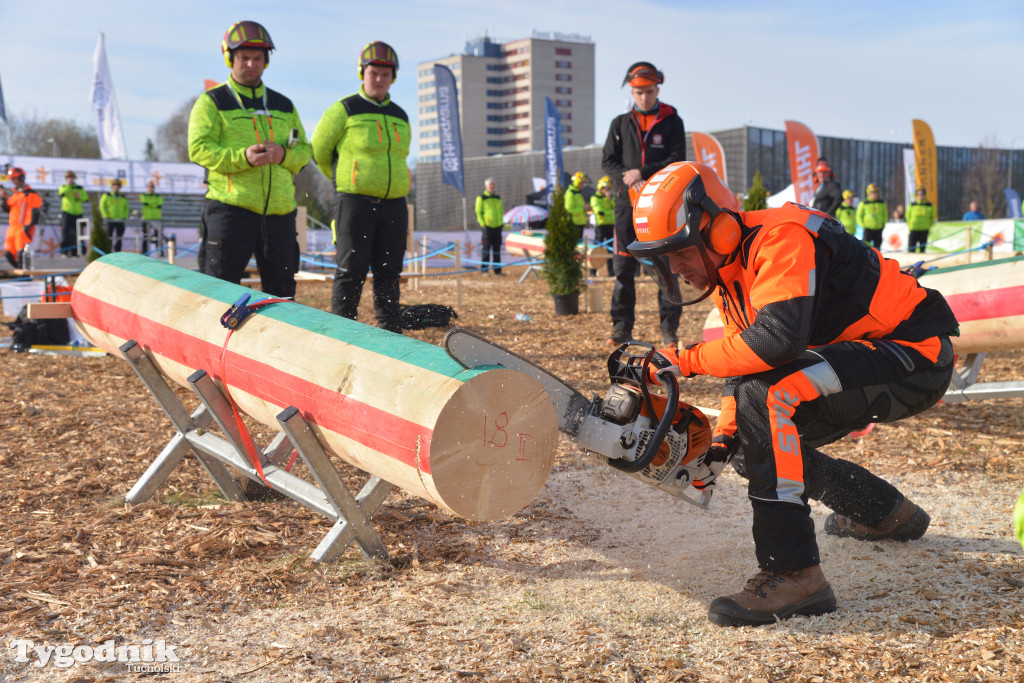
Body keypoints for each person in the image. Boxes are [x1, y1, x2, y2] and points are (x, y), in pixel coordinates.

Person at [629, 162, 957, 627]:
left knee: (769, 395)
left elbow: (776, 343)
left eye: (679, 252)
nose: (675, 269)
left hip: (913, 356)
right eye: (662, 259)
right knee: (751, 437)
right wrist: (724, 438)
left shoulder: (781, 236)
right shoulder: (729, 272)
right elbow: (743, 365)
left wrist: (681, 361)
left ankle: (794, 572)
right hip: (872, 357)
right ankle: (885, 512)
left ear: (719, 229)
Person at [188, 20, 312, 298]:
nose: (251, 64)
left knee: (282, 298)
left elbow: (305, 151)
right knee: (219, 295)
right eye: (244, 58)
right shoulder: (211, 102)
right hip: (231, 211)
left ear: (266, 61)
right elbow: (198, 149)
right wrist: (241, 157)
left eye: (258, 58)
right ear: (229, 58)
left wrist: (283, 155)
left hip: (279, 214)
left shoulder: (284, 105)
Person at [312, 41, 410, 332]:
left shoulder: (401, 115)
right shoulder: (344, 109)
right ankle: (344, 335)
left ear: (393, 77)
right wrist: (346, 179)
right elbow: (319, 150)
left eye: (385, 74)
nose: (379, 79)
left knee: (389, 273)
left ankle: (391, 334)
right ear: (362, 73)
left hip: (394, 204)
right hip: (354, 203)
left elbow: (400, 157)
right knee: (350, 272)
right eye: (373, 73)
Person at [602, 61, 685, 347]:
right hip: (627, 207)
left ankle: (669, 331)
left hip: (661, 208)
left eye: (648, 91)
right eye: (638, 92)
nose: (643, 97)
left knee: (667, 271)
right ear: (632, 92)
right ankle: (621, 330)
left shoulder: (672, 121)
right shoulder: (619, 124)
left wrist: (644, 171)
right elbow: (607, 161)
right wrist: (627, 176)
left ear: (657, 89)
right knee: (623, 272)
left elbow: (677, 159)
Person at [1, 167, 42, 268]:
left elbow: (36, 212)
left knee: (21, 254)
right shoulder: (15, 195)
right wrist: (3, 198)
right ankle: (21, 273)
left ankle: (24, 276)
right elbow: (7, 208)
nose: (13, 181)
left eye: (15, 178)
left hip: (23, 228)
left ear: (21, 178)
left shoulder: (31, 194)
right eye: (12, 179)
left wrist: (28, 227)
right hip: (13, 228)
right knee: (8, 253)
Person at [474, 177, 504, 276]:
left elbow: (500, 211)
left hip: (498, 227)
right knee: (486, 249)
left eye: (493, 185)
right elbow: (478, 212)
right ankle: (484, 270)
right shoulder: (481, 198)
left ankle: (497, 271)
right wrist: (483, 224)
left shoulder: (498, 198)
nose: (492, 187)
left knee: (497, 250)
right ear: (486, 186)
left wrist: (501, 223)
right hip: (487, 227)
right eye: (490, 185)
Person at [590, 175, 616, 276]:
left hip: (610, 225)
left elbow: (615, 209)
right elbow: (599, 212)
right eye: (607, 188)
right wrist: (610, 212)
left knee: (611, 250)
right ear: (601, 187)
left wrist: (609, 200)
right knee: (596, 249)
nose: (608, 190)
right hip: (600, 226)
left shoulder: (610, 198)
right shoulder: (594, 198)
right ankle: (593, 272)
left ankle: (611, 272)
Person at [57, 171, 87, 257]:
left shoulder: (80, 188)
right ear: (66, 179)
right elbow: (61, 194)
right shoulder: (63, 187)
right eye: (68, 177)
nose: (70, 179)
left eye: (72, 177)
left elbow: (85, 198)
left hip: (78, 213)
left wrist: (79, 196)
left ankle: (78, 252)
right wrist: (69, 185)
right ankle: (64, 252)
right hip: (67, 213)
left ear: (74, 178)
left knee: (78, 233)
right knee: (65, 232)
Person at [99, 179, 129, 253]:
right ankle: (108, 251)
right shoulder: (107, 195)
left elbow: (126, 208)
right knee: (109, 236)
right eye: (114, 185)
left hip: (120, 220)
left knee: (119, 237)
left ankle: (117, 251)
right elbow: (102, 205)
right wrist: (106, 215)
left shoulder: (122, 196)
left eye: (117, 185)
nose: (116, 187)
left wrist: (124, 217)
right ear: (112, 186)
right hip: (110, 219)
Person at [856, 182, 888, 249]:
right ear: (868, 193)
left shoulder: (882, 203)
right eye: (873, 192)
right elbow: (858, 216)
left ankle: (877, 259)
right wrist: (863, 226)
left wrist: (883, 224)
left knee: (878, 246)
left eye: (876, 192)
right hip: (867, 229)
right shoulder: (863, 203)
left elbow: (885, 215)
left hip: (879, 228)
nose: (875, 194)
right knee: (865, 246)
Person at [906, 188, 937, 253]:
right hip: (914, 229)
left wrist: (928, 225)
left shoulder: (930, 205)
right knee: (911, 249)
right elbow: (907, 216)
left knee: (922, 250)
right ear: (916, 195)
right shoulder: (912, 205)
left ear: (925, 195)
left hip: (924, 230)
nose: (920, 196)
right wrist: (911, 224)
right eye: (918, 194)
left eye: (922, 194)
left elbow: (932, 217)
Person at [139, 181, 164, 255]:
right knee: (146, 235)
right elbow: (144, 202)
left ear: (154, 188)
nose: (150, 188)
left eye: (152, 187)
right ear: (147, 188)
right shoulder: (143, 195)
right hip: (146, 219)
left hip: (156, 219)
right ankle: (145, 252)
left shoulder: (158, 196)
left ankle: (159, 252)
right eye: (149, 187)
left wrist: (149, 204)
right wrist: (154, 204)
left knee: (158, 236)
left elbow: (160, 203)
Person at [564, 172, 590, 242]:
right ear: (577, 183)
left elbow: (579, 208)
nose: (584, 186)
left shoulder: (577, 193)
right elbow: (569, 210)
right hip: (574, 224)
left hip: (579, 223)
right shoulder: (571, 194)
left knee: (579, 245)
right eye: (582, 183)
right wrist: (583, 209)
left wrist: (585, 209)